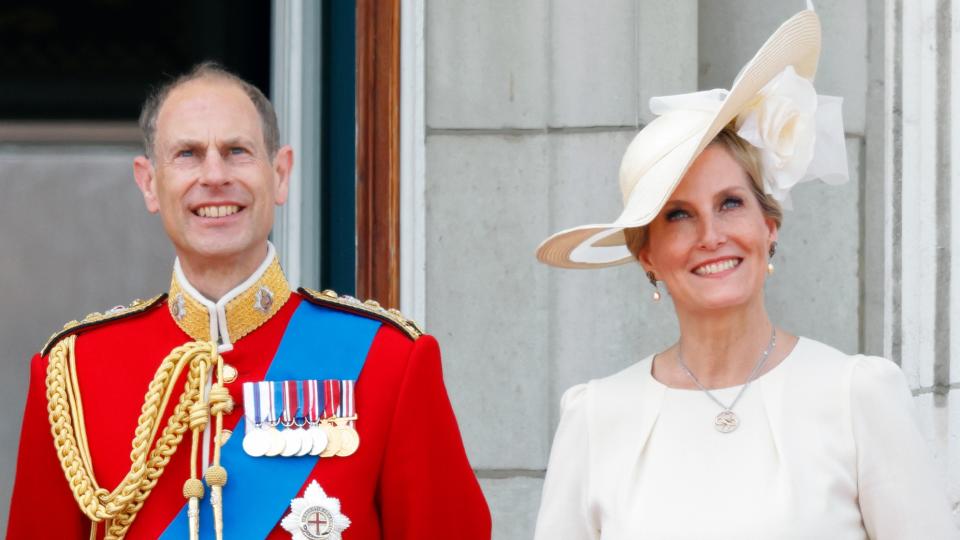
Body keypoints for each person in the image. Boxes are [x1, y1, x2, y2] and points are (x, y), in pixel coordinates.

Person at [6, 63, 491, 540]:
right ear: (149, 182)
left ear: (280, 174)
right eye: (188, 154)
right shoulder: (73, 374)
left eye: (237, 151)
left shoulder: (388, 361)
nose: (214, 175)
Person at [533, 9, 957, 540]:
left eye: (730, 203)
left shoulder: (856, 396)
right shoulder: (596, 418)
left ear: (769, 226)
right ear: (647, 255)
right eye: (678, 215)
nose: (711, 235)